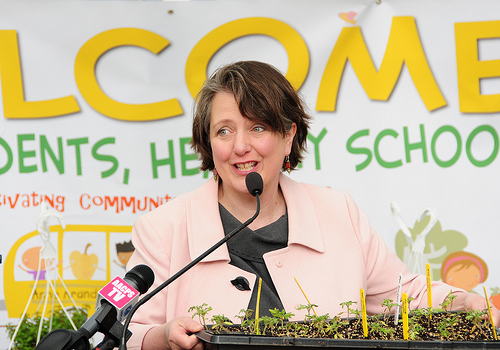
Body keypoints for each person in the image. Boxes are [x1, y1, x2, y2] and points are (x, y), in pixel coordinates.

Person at [126, 61, 499, 350]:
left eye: (258, 128)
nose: (240, 146)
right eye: (224, 130)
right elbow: (122, 330)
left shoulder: (338, 212)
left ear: (288, 135)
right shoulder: (163, 228)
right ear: (208, 143)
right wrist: (163, 337)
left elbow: (408, 297)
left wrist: (470, 304)